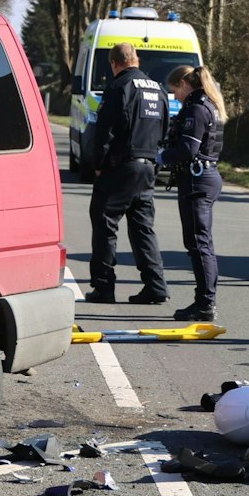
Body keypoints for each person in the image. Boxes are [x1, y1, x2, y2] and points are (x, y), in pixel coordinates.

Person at [83, 42, 169, 305]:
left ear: (114, 63)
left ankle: (104, 286)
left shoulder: (118, 87)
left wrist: (98, 163)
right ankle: (156, 286)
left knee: (105, 221)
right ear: (137, 60)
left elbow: (105, 131)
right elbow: (165, 129)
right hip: (148, 167)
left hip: (120, 166)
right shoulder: (159, 89)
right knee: (143, 228)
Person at [164, 65, 226, 321]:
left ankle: (205, 302)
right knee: (201, 242)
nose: (175, 96)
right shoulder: (208, 104)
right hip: (204, 177)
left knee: (199, 243)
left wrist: (161, 156)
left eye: (175, 90)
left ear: (184, 84)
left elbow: (188, 148)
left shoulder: (197, 108)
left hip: (197, 179)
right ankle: (204, 300)